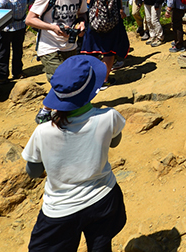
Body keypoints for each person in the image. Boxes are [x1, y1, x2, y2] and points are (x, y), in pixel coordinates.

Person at [21, 55, 126, 252]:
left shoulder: (43, 132)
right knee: (101, 247)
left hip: (61, 209)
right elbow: (115, 142)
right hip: (104, 197)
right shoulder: (108, 117)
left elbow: (32, 172)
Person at [26, 0, 88, 123]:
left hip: (70, 45)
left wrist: (81, 24)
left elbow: (82, 14)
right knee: (60, 81)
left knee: (70, 80)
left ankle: (51, 110)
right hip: (49, 46)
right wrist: (52, 27)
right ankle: (55, 114)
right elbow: (30, 19)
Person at [81, 0, 130, 86]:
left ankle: (91, 80)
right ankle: (104, 80)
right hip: (113, 19)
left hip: (94, 19)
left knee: (92, 51)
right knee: (109, 52)